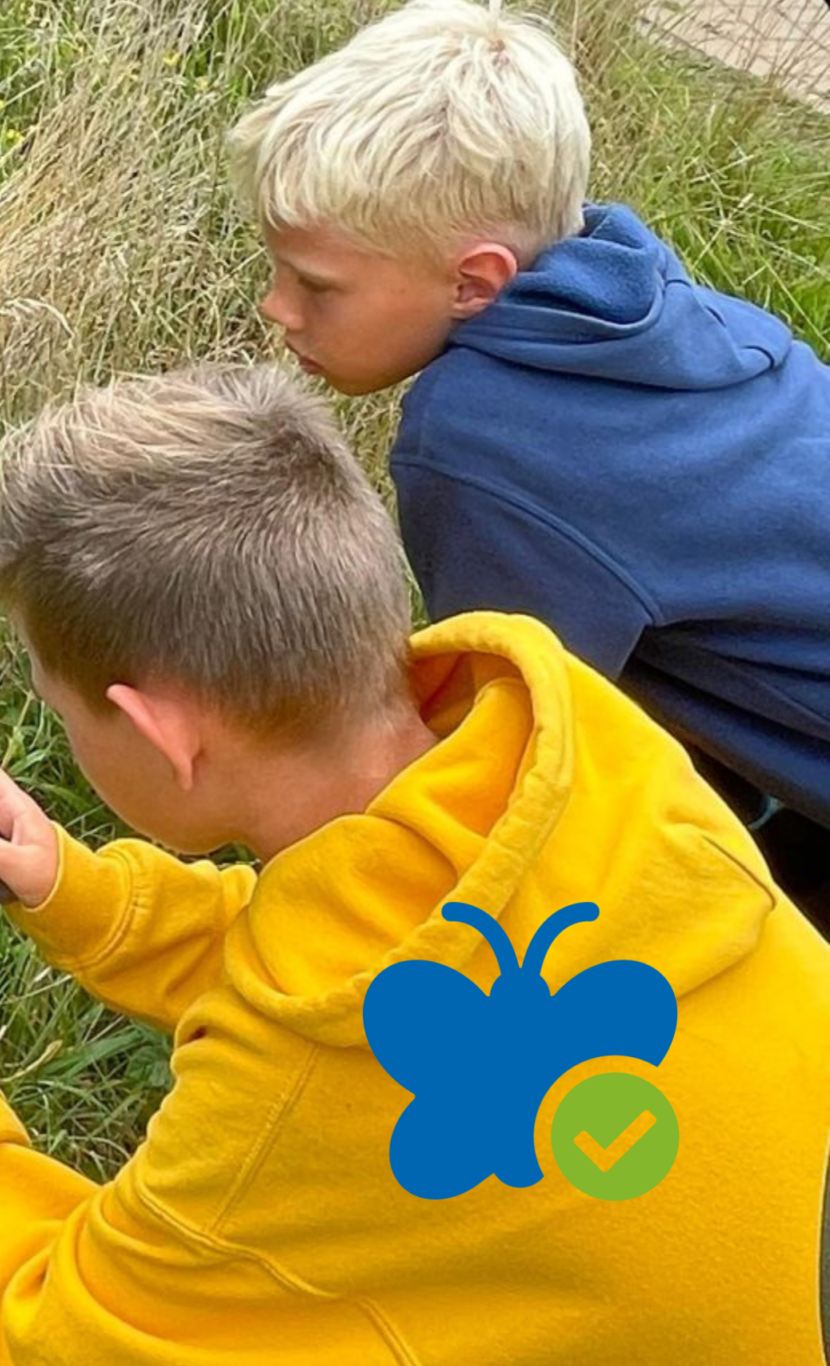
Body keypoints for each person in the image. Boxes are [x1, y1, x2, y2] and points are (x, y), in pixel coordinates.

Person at [0, 365, 830, 1364]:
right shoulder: (581, 755)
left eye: (60, 711)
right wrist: (79, 894)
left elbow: (41, 1328)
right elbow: (378, 954)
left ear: (159, 735)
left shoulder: (285, 1097)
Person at [223, 0, 830, 920]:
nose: (278, 307)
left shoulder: (478, 439)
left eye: (316, 284)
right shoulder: (665, 311)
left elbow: (506, 752)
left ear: (476, 281)